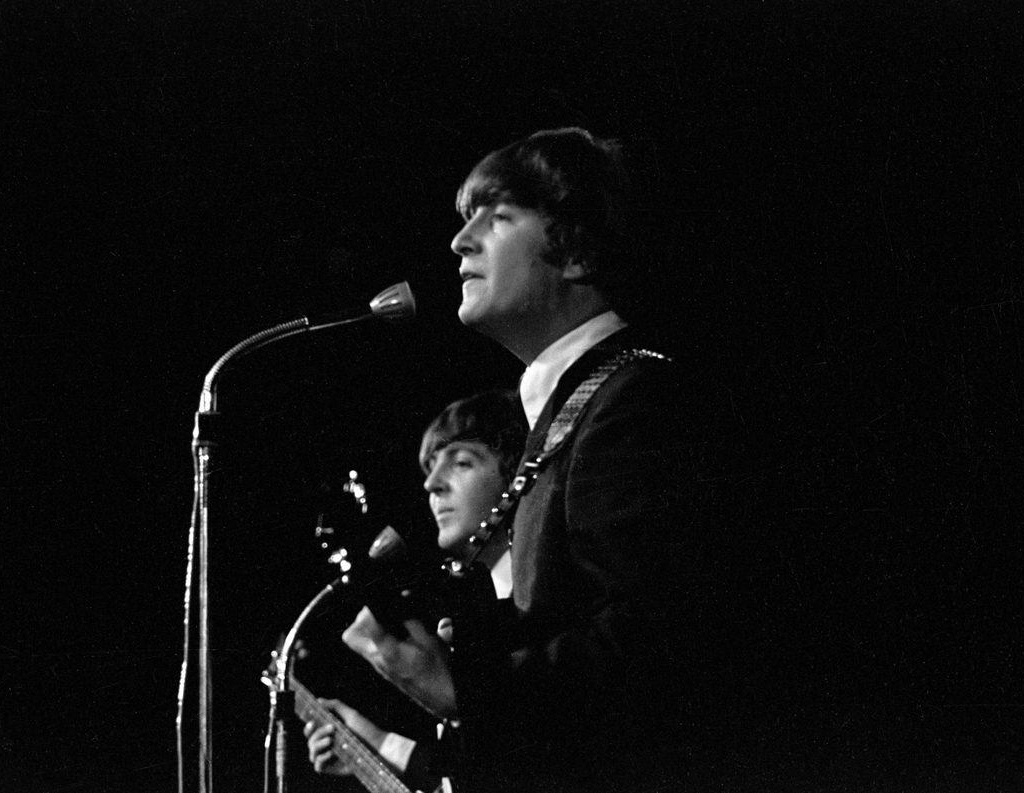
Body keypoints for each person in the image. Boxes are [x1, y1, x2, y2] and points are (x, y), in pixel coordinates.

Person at [341, 128, 721, 792]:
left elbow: (659, 640)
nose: (461, 241)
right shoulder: (577, 406)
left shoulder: (632, 401)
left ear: (574, 249)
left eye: (498, 217)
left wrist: (468, 689)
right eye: (467, 223)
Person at [303, 390, 528, 791]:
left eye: (461, 462)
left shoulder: (542, 612)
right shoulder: (478, 611)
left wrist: (454, 697)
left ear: (518, 476)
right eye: (429, 467)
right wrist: (373, 743)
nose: (431, 484)